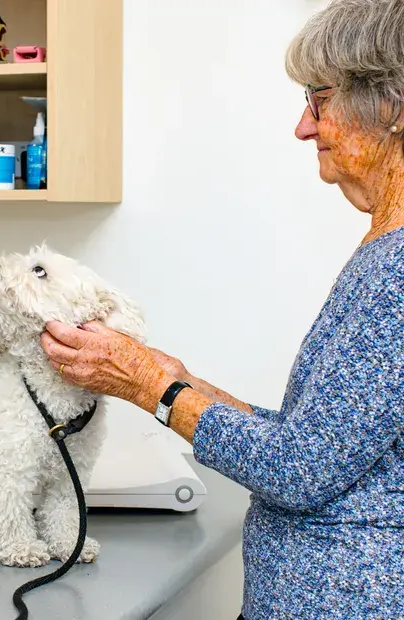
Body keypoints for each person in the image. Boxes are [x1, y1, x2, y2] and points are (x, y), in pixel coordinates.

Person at [41, 1, 404, 619]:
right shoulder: (383, 248)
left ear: (391, 107)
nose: (303, 127)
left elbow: (298, 471)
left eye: (318, 100)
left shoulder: (397, 274)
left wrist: (149, 385)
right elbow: (316, 440)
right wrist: (181, 379)